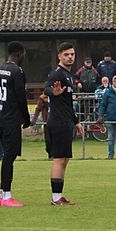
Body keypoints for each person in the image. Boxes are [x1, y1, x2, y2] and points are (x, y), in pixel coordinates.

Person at [0, 41, 31, 207]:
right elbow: (21, 96)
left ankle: (1, 194)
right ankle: (6, 194)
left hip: (0, 117)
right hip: (12, 118)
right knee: (9, 156)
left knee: (7, 155)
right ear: (19, 54)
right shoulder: (17, 71)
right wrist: (26, 117)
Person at [45, 42, 85, 205]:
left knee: (65, 159)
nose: (70, 57)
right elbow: (47, 89)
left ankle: (59, 195)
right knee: (59, 159)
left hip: (66, 121)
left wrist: (76, 122)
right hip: (58, 122)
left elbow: (68, 104)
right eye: (66, 54)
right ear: (59, 56)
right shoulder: (57, 74)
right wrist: (52, 92)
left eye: (72, 54)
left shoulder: (70, 76)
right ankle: (56, 197)